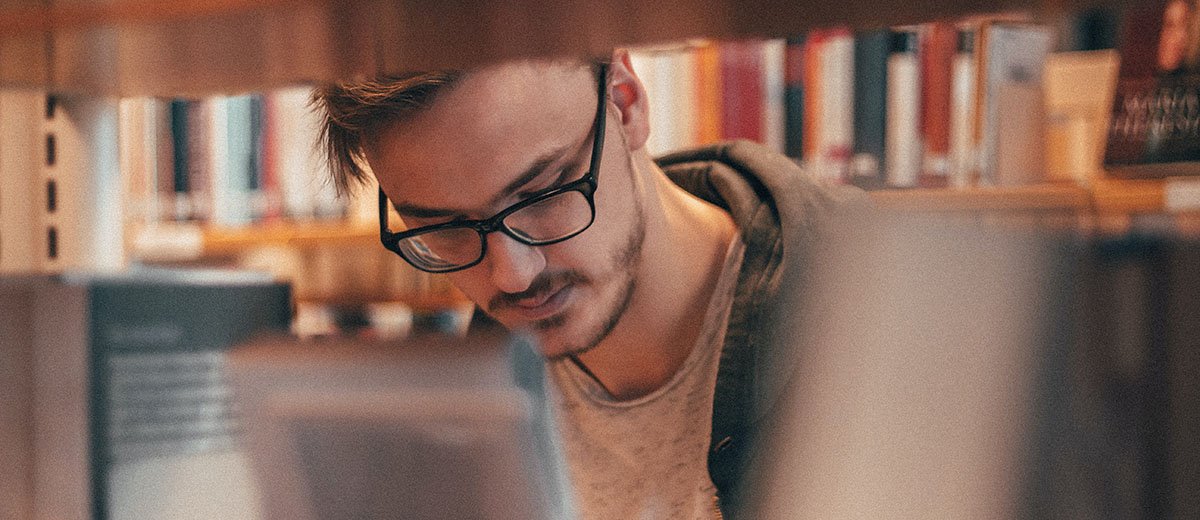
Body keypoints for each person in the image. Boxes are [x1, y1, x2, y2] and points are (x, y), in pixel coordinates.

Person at [313, 49, 863, 519]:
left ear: (625, 102)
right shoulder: (483, 395)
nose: (513, 274)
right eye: (446, 230)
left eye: (543, 193)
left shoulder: (877, 316)